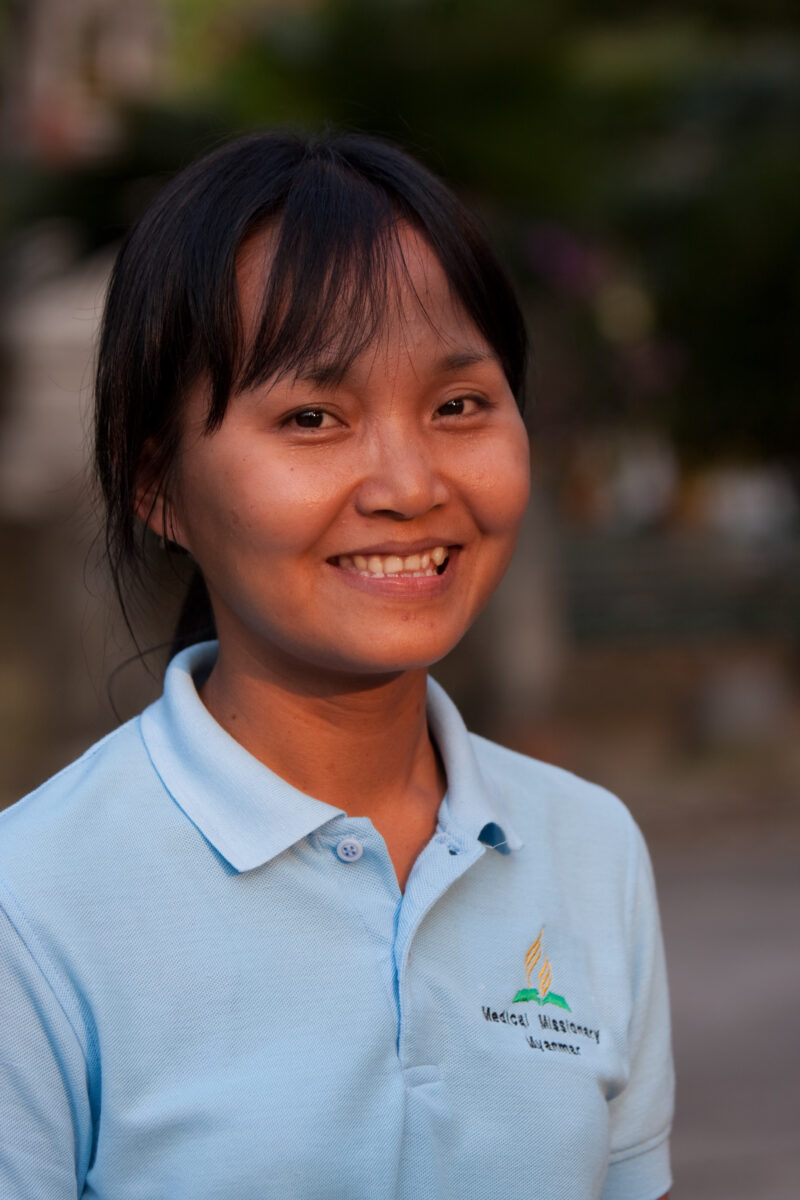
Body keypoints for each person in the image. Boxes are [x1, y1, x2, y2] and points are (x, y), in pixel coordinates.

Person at [0, 131, 673, 1199]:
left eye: (459, 405)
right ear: (155, 485)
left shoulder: (586, 850)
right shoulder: (32, 905)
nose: (408, 483)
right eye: (312, 417)